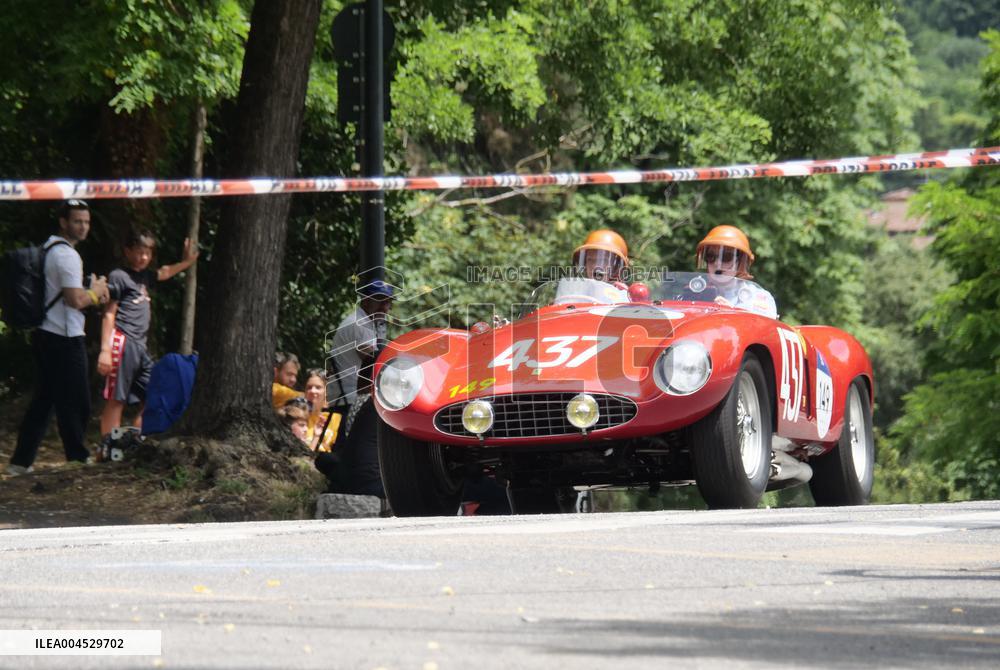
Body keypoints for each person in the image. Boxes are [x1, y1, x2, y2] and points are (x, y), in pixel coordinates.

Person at [8, 199, 110, 475]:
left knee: (44, 401)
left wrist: (89, 291)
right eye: (77, 221)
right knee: (77, 401)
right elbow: (75, 300)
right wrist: (97, 291)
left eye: (86, 222)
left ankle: (20, 462)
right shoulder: (67, 255)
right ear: (63, 222)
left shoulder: (49, 248)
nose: (83, 227)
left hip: (45, 333)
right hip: (64, 338)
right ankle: (77, 457)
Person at [97, 229, 199, 441]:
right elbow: (109, 313)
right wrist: (105, 350)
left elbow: (165, 272)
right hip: (122, 342)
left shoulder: (145, 277)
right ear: (127, 251)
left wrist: (187, 262)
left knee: (156, 392)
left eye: (148, 253)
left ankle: (139, 440)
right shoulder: (119, 276)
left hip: (141, 347)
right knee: (117, 398)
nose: (143, 257)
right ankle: (108, 446)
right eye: (138, 252)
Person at [328, 280, 393, 406]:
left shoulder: (362, 320)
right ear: (366, 301)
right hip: (349, 399)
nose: (385, 307)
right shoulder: (360, 324)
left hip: (344, 395)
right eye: (379, 300)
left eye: (388, 302)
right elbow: (374, 363)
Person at [694, 225, 777, 319]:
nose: (717, 263)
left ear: (741, 262)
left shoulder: (758, 298)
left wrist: (734, 314)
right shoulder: (695, 292)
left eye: (726, 256)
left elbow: (764, 326)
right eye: (710, 256)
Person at [303, 368, 339, 452]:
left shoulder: (336, 418)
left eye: (318, 387)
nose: (312, 391)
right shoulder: (298, 415)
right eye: (309, 387)